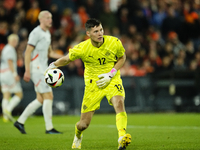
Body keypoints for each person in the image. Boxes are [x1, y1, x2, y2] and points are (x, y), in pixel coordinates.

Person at [46, 18, 131, 150]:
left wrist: (111, 73)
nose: (100, 33)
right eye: (96, 31)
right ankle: (78, 135)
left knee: (119, 103)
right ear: (88, 34)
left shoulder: (114, 42)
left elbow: (122, 57)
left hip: (111, 79)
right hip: (93, 85)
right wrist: (53, 65)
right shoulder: (83, 48)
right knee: (83, 124)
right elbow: (67, 59)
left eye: (101, 30)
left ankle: (122, 138)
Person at [14, 10, 62, 134]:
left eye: (51, 17)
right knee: (49, 96)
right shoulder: (36, 33)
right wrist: (27, 71)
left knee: (40, 99)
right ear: (40, 19)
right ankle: (49, 128)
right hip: (37, 69)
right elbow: (28, 52)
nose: (50, 20)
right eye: (47, 18)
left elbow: (50, 53)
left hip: (43, 68)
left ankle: (20, 122)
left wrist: (67, 57)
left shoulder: (47, 33)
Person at [0, 34, 23, 123]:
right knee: (19, 94)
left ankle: (5, 116)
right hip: (9, 73)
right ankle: (8, 110)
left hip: (2, 73)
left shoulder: (5, 48)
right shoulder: (10, 49)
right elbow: (10, 61)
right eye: (15, 41)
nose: (16, 43)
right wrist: (14, 74)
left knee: (6, 94)